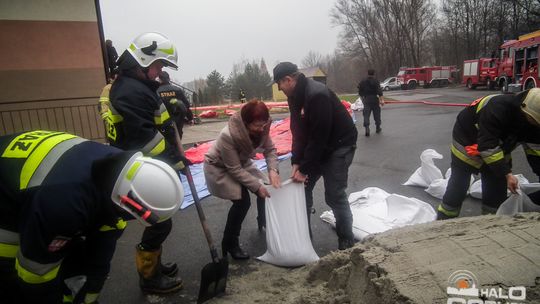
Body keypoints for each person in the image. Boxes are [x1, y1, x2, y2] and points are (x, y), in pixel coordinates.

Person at [0, 130, 183, 304]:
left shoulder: (119, 170)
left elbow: (100, 254)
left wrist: (90, 296)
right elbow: (36, 274)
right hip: (8, 203)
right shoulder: (63, 205)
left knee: (72, 254)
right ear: (130, 203)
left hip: (34, 187)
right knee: (14, 278)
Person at [105, 32, 187, 293]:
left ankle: (154, 266)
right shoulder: (130, 91)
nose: (160, 71)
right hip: (135, 169)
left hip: (142, 166)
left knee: (159, 221)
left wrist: (170, 116)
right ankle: (149, 278)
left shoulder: (136, 86)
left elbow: (155, 123)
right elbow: (145, 140)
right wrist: (173, 159)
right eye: (159, 65)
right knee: (159, 221)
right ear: (143, 60)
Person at [273, 62, 358, 250]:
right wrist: (296, 163)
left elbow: (320, 137)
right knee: (302, 188)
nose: (278, 88)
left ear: (288, 79)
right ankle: (304, 241)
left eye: (279, 83)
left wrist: (305, 168)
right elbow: (298, 132)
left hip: (339, 145)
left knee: (334, 195)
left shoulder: (317, 95)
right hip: (321, 145)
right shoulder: (294, 96)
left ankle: (347, 242)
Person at [437, 88, 540, 220]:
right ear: (524, 109)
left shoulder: (535, 123)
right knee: (459, 185)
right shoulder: (497, 109)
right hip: (467, 141)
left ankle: (490, 222)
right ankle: (443, 221)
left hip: (497, 145)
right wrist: (507, 174)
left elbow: (536, 151)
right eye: (533, 120)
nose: (535, 124)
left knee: (496, 188)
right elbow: (488, 146)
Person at [204, 100, 281, 259]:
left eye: (263, 125)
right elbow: (234, 169)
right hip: (220, 167)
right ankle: (230, 242)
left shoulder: (262, 128)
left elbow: (271, 149)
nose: (261, 129)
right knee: (242, 201)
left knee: (267, 186)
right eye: (256, 126)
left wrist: (273, 170)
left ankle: (265, 221)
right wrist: (255, 187)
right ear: (245, 123)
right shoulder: (229, 135)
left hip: (241, 162)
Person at [157, 71, 194, 139]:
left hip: (163, 121)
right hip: (178, 119)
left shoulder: (156, 91)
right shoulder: (177, 90)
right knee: (178, 138)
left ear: (159, 79)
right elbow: (186, 105)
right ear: (169, 78)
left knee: (166, 139)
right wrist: (190, 118)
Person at [357, 69, 385, 136]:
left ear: (367, 73)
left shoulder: (363, 81)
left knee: (366, 115)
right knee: (377, 114)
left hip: (366, 99)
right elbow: (379, 92)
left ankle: (367, 128)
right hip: (374, 99)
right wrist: (382, 100)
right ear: (373, 73)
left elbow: (360, 91)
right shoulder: (376, 81)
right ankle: (378, 128)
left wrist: (362, 98)